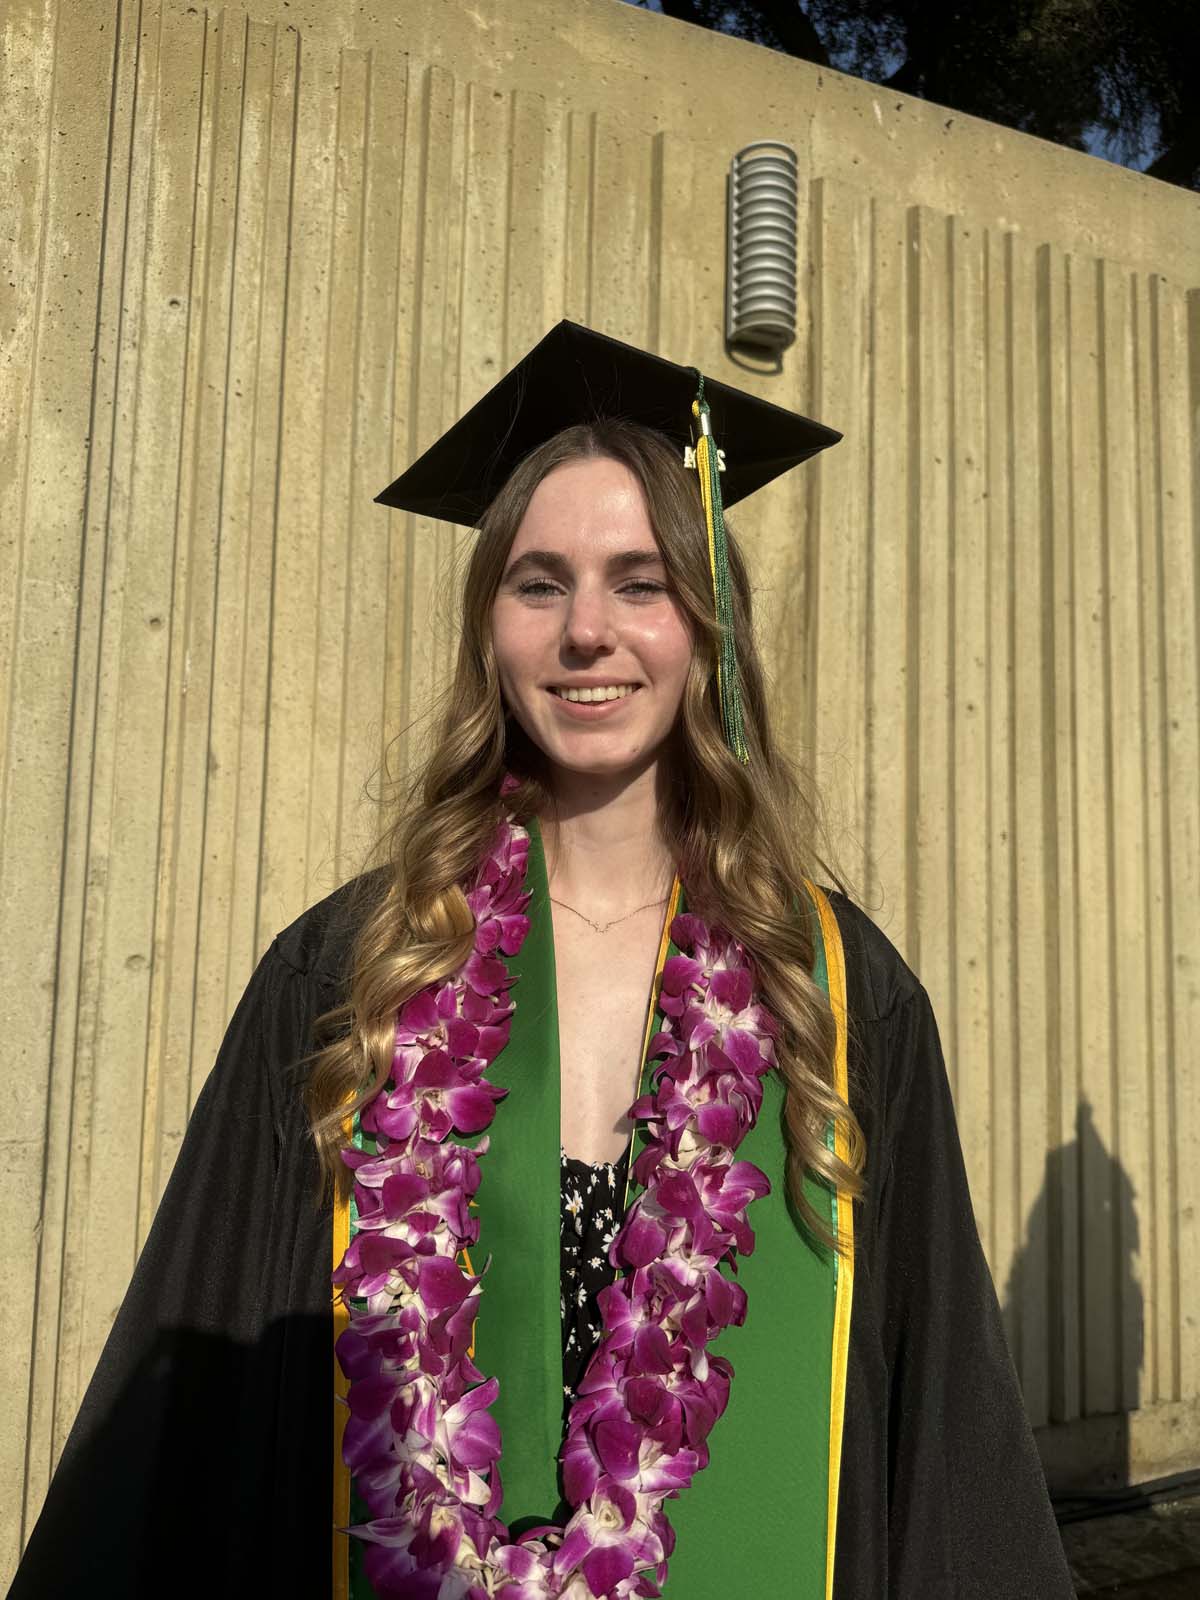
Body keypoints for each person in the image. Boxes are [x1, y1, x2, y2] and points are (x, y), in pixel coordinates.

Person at [9, 322, 1074, 1599]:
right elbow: (194, 1441)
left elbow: (937, 1423)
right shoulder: (352, 974)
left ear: (708, 626)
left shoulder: (834, 991)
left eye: (640, 580)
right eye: (538, 582)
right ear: (489, 628)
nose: (588, 631)